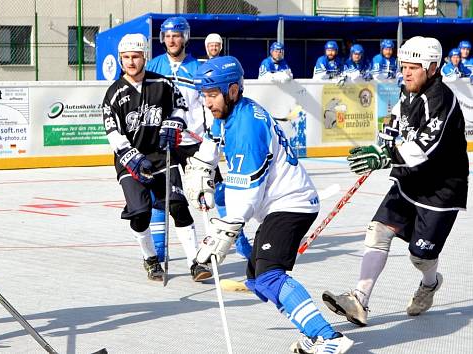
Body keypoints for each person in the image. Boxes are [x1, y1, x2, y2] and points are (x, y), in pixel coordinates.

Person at [189, 56, 353, 353]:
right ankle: (314, 332)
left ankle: (329, 338)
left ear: (233, 91)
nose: (208, 102)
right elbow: (213, 141)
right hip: (282, 203)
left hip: (292, 204)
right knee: (257, 280)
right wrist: (202, 166)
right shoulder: (229, 113)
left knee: (269, 275)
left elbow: (247, 195)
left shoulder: (247, 129)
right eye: (205, 95)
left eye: (212, 95)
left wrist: (224, 233)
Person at [322, 36, 468, 328]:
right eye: (404, 66)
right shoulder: (410, 90)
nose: (406, 73)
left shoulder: (441, 99)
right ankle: (359, 300)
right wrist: (385, 137)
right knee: (378, 231)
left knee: (420, 255)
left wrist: (383, 157)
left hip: (441, 189)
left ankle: (430, 283)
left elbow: (423, 149)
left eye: (413, 67)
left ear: (432, 67)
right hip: (410, 180)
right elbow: (398, 115)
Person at [101, 33, 210, 282]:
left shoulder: (162, 83)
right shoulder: (114, 94)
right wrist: (133, 158)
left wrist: (174, 122)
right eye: (126, 57)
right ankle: (150, 259)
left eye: (136, 57)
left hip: (162, 156)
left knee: (178, 205)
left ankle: (196, 261)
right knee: (140, 214)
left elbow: (180, 105)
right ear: (120, 60)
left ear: (145, 57)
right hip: (130, 161)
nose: (130, 62)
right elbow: (113, 133)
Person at [146, 16, 252, 263]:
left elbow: (210, 106)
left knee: (220, 191)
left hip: (194, 141)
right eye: (168, 36)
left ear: (185, 38)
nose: (172, 40)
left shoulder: (199, 68)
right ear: (163, 38)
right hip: (164, 141)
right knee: (162, 194)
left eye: (177, 35)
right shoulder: (153, 66)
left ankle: (239, 239)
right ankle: (159, 248)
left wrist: (213, 137)